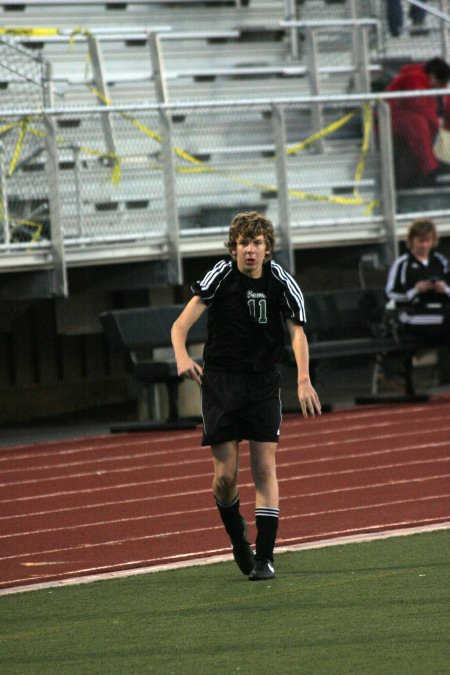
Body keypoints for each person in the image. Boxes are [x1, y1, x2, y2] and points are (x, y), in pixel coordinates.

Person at [171, 211, 321, 581]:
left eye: (256, 243)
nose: (249, 251)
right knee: (225, 477)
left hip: (262, 384)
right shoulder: (221, 276)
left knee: (264, 468)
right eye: (243, 244)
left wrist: (303, 379)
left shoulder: (282, 281)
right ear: (234, 247)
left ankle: (265, 557)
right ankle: (239, 538)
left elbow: (298, 333)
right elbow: (180, 325)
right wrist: (182, 356)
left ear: (267, 248)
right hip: (221, 383)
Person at [385, 57, 450, 188]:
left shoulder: (428, 82)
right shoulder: (414, 78)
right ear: (433, 75)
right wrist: (437, 122)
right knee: (418, 125)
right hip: (392, 115)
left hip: (407, 115)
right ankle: (430, 168)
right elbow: (418, 105)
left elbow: (442, 103)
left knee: (424, 125)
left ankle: (436, 163)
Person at [385, 218, 450, 345]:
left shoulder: (440, 261)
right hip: (410, 312)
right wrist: (416, 290)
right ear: (412, 241)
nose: (424, 245)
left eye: (427, 241)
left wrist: (444, 289)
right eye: (420, 241)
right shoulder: (402, 263)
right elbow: (390, 293)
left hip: (438, 309)